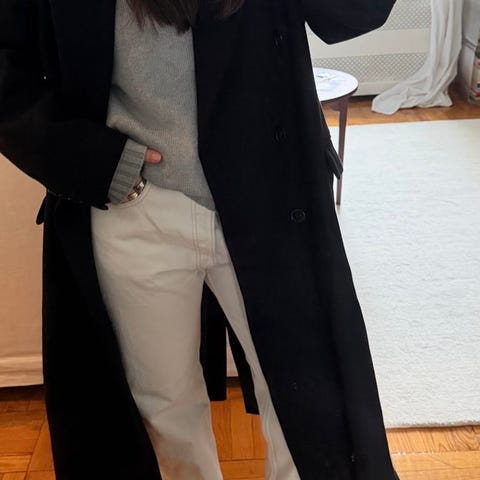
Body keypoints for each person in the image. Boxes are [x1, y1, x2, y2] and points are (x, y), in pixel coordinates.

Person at [0, 0, 400, 479]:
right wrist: (92, 161)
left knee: (310, 409)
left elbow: (354, 15)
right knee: (163, 413)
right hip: (133, 206)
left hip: (271, 193)